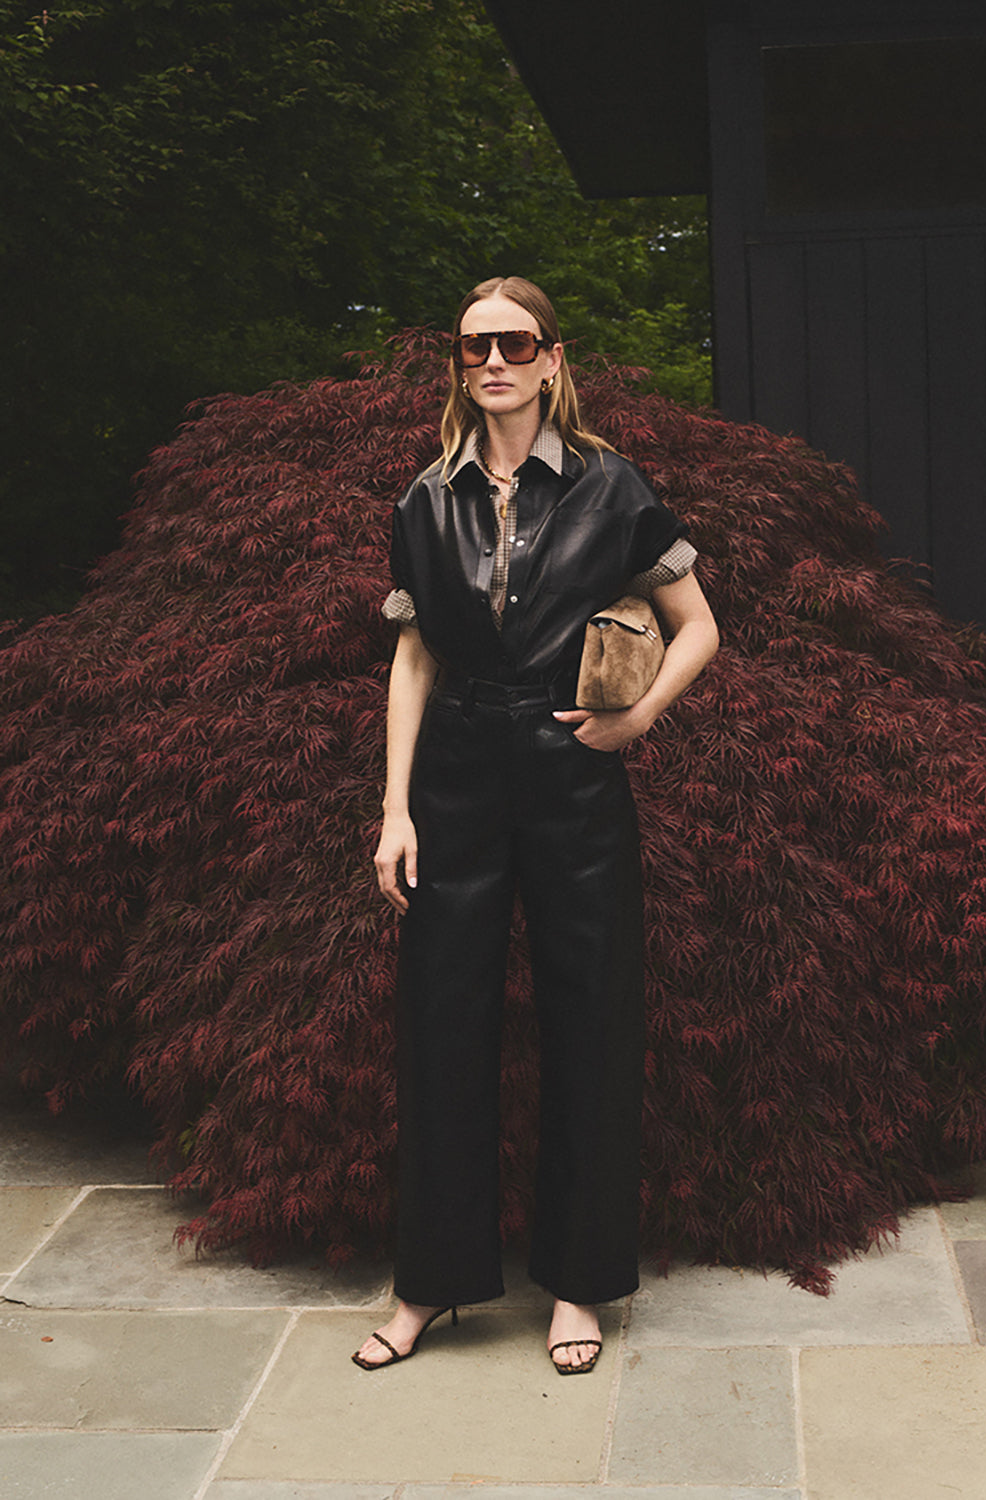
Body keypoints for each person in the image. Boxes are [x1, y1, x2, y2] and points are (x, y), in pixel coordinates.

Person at [354, 276, 719, 1374]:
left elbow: (697, 625)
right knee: (440, 1025)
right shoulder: (425, 499)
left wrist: (641, 715)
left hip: (573, 780)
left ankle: (579, 1288)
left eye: (517, 342)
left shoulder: (613, 490)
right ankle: (430, 1286)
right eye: (476, 347)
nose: (496, 360)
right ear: (461, 367)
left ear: (555, 359)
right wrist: (393, 811)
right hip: (457, 777)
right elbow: (414, 656)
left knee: (592, 1022)